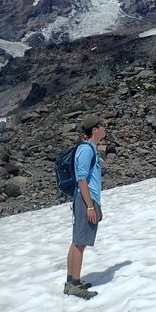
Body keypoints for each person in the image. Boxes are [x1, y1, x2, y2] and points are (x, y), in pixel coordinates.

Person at [64, 114, 107, 299]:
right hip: (85, 200)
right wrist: (90, 206)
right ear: (95, 129)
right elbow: (82, 179)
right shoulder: (87, 149)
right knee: (80, 242)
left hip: (86, 199)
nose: (105, 128)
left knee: (77, 241)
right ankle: (74, 284)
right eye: (103, 125)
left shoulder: (89, 148)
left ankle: (71, 281)